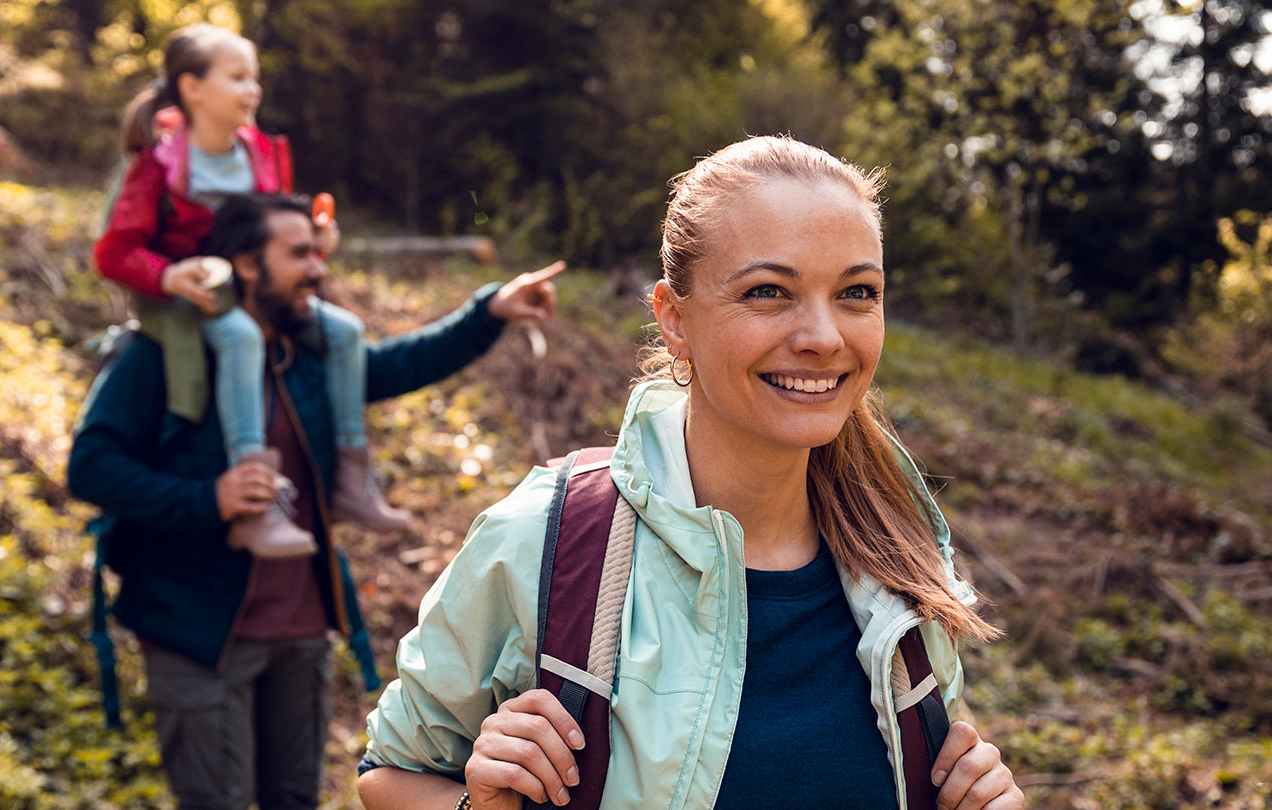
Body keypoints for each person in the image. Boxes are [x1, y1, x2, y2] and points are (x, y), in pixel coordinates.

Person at [354, 136, 1026, 810]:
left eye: (857, 292)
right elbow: (386, 774)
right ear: (674, 319)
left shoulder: (900, 549)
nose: (823, 335)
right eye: (769, 291)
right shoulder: (543, 542)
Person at [70, 192, 566, 810]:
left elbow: (393, 365)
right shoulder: (167, 355)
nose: (318, 267)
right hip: (196, 633)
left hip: (301, 631)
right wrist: (209, 498)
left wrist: (488, 311)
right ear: (246, 265)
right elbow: (90, 465)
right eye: (298, 253)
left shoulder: (304, 354)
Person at [94, 24, 406, 559]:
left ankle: (350, 479)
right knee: (239, 335)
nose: (252, 90)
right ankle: (255, 497)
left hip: (261, 290)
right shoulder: (160, 163)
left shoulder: (259, 152)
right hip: (194, 299)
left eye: (253, 78)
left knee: (347, 330)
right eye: (237, 77)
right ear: (192, 88)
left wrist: (313, 236)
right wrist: (169, 276)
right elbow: (114, 252)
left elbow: (278, 227)